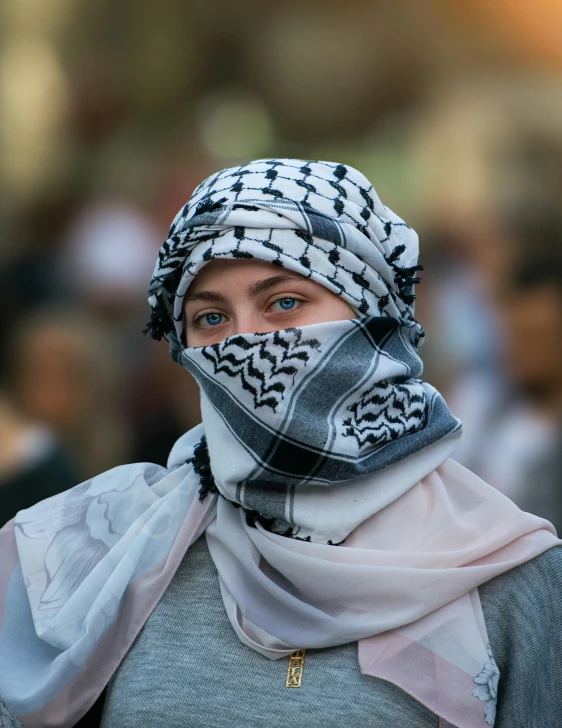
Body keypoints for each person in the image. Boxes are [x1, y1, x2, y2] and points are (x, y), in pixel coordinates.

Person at [0, 159, 560, 728]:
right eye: (211, 317)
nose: (243, 343)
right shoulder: (120, 553)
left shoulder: (507, 579)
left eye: (285, 303)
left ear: (372, 313)